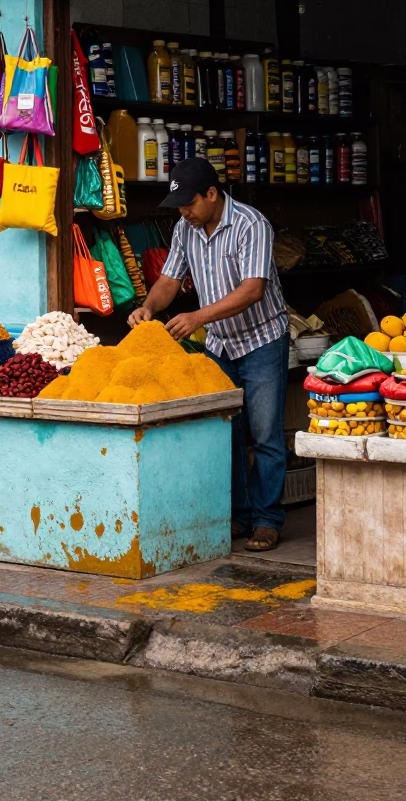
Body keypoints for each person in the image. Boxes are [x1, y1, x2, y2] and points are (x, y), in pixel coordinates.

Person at [128, 157, 289, 552]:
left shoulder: (251, 224)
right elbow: (169, 280)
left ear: (212, 194)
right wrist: (148, 308)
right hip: (220, 343)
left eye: (189, 204)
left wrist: (197, 316)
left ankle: (267, 520)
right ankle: (240, 515)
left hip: (262, 340)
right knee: (224, 430)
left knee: (265, 434)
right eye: (179, 206)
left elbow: (253, 289)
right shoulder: (186, 229)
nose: (184, 213)